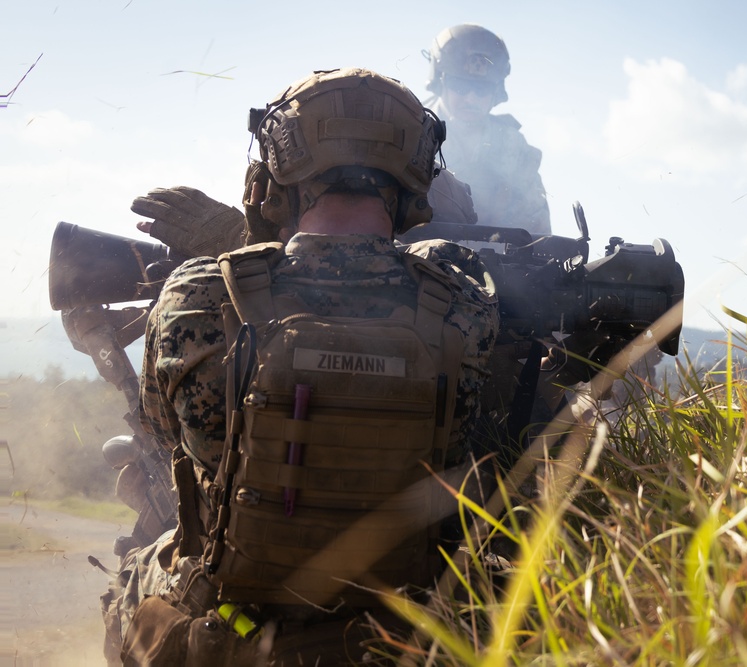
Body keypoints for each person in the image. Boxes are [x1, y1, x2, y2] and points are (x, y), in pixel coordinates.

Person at [107, 67, 499, 666]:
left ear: (275, 174)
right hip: (400, 631)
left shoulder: (198, 293)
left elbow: (167, 444)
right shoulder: (467, 308)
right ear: (414, 182)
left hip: (237, 627)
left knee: (133, 573)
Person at [424, 24, 551, 236]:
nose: (471, 99)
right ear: (440, 82)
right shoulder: (413, 133)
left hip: (498, 265)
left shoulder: (514, 148)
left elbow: (536, 229)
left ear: (496, 92)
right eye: (460, 86)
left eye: (482, 89)